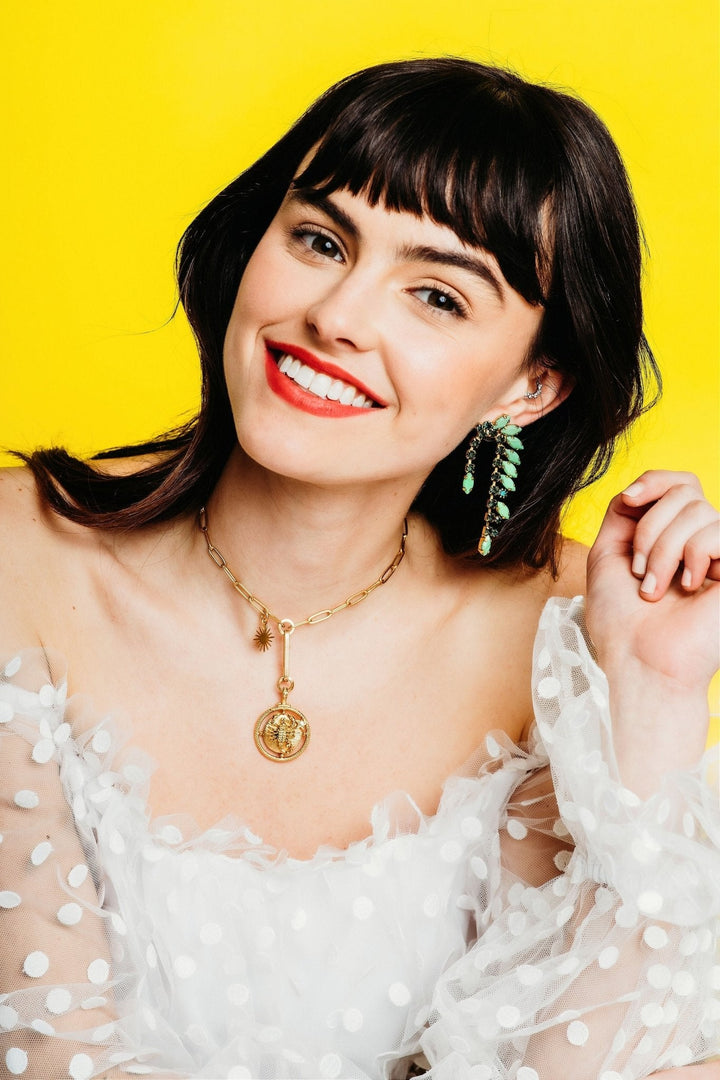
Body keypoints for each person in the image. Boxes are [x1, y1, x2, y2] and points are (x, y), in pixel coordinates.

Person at [0, 57, 718, 1080]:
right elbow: (46, 1053)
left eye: (436, 296)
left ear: (530, 386)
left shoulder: (567, 632)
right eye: (320, 241)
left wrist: (653, 706)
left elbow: (584, 1061)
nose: (336, 315)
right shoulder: (19, 558)